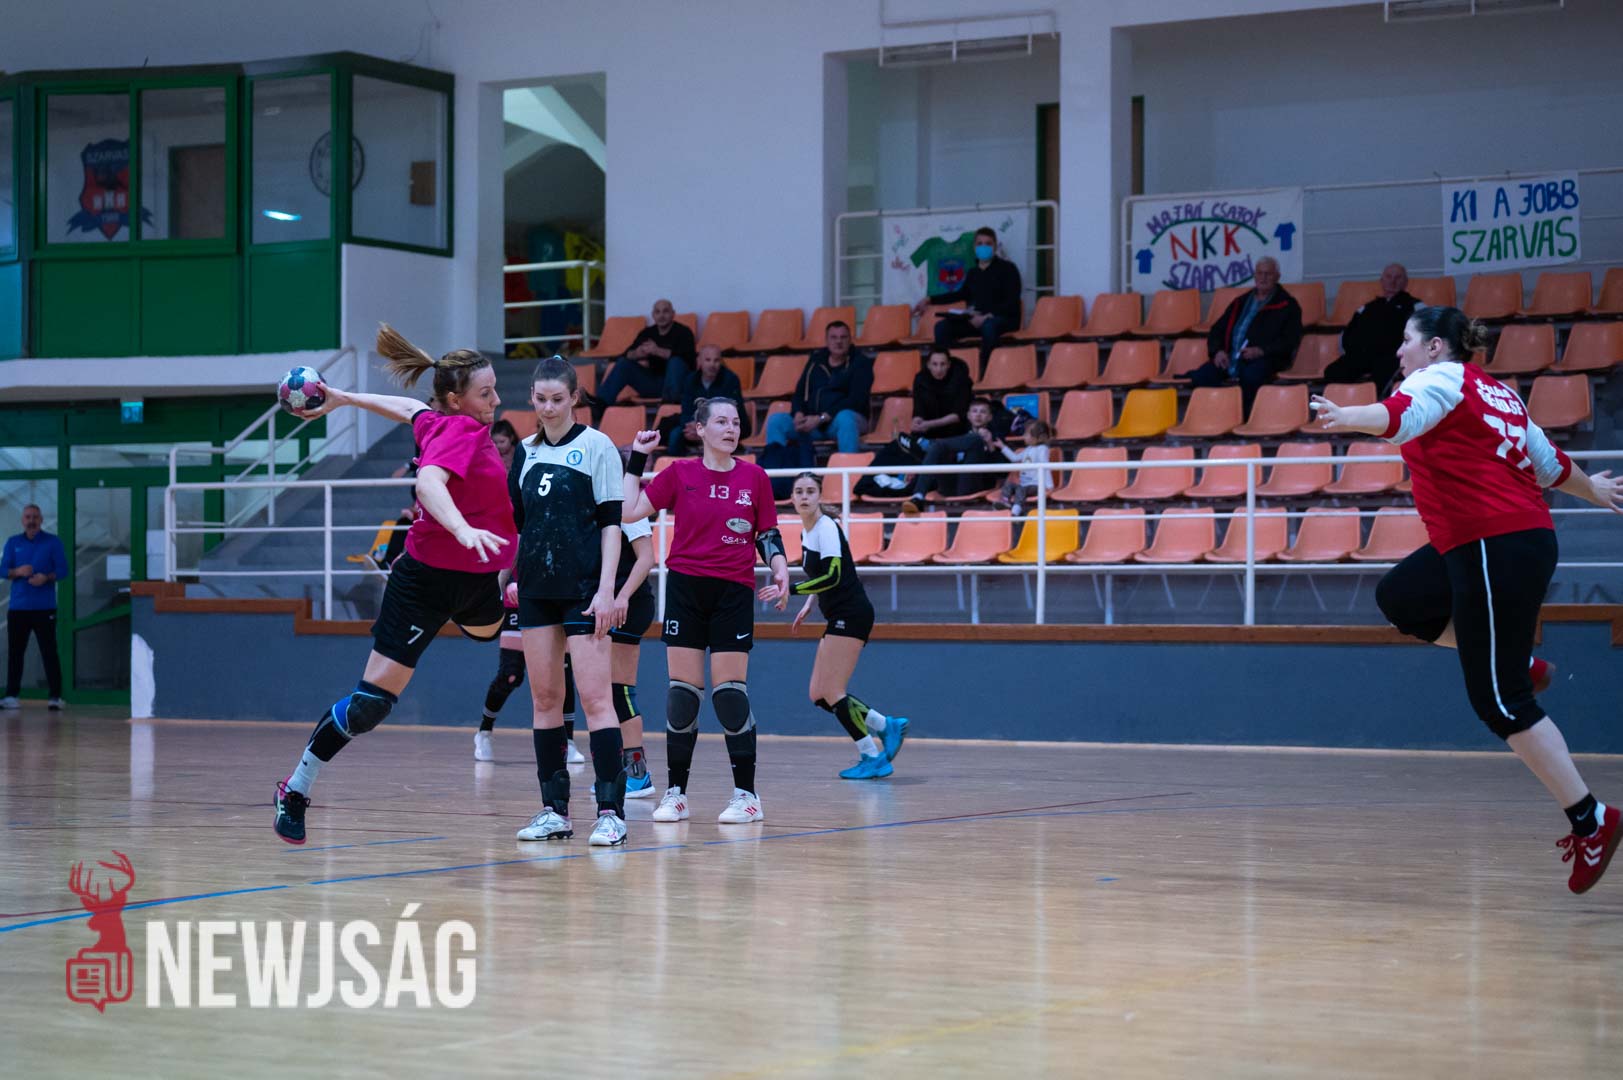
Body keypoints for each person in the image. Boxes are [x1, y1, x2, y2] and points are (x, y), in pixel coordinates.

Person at [1312, 305, 1623, 894]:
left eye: (1407, 340)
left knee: (1500, 703)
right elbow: (1549, 463)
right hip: (1508, 540)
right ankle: (1517, 662)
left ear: (1435, 347)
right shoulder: (1496, 393)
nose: (1399, 352)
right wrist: (1595, 489)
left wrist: (1345, 415)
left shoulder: (1438, 380)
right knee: (1402, 597)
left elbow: (1398, 417)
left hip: (1490, 541)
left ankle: (1592, 820)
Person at [273, 326, 515, 845]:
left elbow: (409, 409)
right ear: (458, 401)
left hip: (475, 582)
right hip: (424, 583)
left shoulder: (439, 420)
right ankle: (295, 789)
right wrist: (461, 529)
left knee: (492, 630)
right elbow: (428, 482)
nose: (496, 400)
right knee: (370, 706)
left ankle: (503, 601)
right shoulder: (462, 432)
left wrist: (344, 397)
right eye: (486, 393)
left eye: (494, 389)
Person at [621, 400, 790, 824]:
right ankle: (676, 794)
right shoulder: (678, 473)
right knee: (682, 696)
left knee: (730, 695)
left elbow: (767, 532)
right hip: (685, 588)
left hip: (733, 591)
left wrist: (780, 567)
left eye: (736, 423)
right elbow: (628, 511)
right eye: (721, 422)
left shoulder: (754, 477)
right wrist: (639, 458)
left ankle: (747, 796)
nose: (731, 429)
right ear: (700, 429)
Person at [509, 356, 630, 847]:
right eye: (540, 399)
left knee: (597, 700)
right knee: (545, 702)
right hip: (536, 591)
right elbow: (521, 526)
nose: (548, 408)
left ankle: (611, 813)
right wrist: (508, 577)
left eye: (557, 399)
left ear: (574, 398)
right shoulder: (524, 452)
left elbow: (612, 525)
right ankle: (553, 811)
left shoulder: (598, 447)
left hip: (583, 590)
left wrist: (606, 589)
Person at [786, 473, 909, 779]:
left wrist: (791, 590)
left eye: (810, 491)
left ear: (819, 496)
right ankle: (885, 725)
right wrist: (809, 602)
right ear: (792, 498)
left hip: (851, 613)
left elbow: (834, 575)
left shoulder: (826, 527)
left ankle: (871, 755)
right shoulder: (807, 532)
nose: (804, 496)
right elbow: (820, 575)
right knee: (818, 693)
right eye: (799, 491)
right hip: (837, 614)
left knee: (832, 690)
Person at [1188, 256, 1303, 412]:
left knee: (1251, 376)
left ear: (1277, 277)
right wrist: (1218, 351)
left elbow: (1290, 340)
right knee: (1202, 376)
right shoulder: (1240, 302)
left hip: (1266, 359)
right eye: (1260, 273)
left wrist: (1261, 351)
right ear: (1254, 276)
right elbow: (1217, 330)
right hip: (1230, 358)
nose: (1263, 278)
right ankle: (1216, 415)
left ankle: (1245, 418)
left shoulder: (1288, 305)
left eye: (1268, 274)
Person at [764, 321, 872, 465]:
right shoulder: (816, 361)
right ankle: (777, 472)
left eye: (843, 337)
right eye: (834, 337)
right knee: (776, 421)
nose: (838, 341)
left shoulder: (861, 363)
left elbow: (855, 400)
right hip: (813, 423)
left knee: (845, 418)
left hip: (842, 422)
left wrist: (822, 418)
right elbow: (800, 392)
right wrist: (798, 413)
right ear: (826, 340)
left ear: (850, 340)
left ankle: (849, 473)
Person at [912, 225, 1023, 364]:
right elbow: (960, 294)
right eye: (979, 244)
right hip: (977, 320)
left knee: (989, 326)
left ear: (995, 247)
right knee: (942, 327)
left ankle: (986, 370)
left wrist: (987, 316)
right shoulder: (973, 273)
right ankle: (952, 367)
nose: (983, 247)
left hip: (1002, 319)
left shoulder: (1008, 269)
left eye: (988, 244)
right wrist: (929, 299)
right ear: (974, 248)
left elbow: (1012, 301)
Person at [1, 504, 68, 711]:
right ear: (23, 520)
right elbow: (3, 570)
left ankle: (55, 697)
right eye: (28, 517)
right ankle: (11, 696)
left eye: (35, 517)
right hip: (18, 608)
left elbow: (63, 570)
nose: (31, 521)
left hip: (44, 608)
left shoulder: (53, 542)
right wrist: (18, 571)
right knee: (15, 653)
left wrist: (45, 578)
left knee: (49, 652)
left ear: (41, 520)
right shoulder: (13, 542)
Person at [1324, 263, 1422, 394]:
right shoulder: (1367, 308)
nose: (1392, 281)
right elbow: (1348, 334)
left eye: (1398, 277)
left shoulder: (1417, 306)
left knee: (1383, 372)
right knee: (1333, 371)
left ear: (1405, 282)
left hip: (1392, 357)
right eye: (1388, 277)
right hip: (1363, 356)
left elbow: (1421, 336)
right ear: (1382, 281)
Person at [592, 298, 696, 418]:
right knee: (623, 364)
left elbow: (690, 360)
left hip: (678, 386)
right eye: (657, 312)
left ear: (673, 314)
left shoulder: (684, 332)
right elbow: (626, 354)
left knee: (675, 362)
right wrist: (637, 353)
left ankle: (669, 406)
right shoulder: (648, 333)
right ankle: (600, 405)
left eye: (665, 311)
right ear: (653, 315)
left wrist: (657, 351)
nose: (661, 315)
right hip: (653, 383)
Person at [899, 398, 1006, 513]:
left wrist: (990, 445)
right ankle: (918, 497)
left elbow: (1003, 473)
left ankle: (930, 445)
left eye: (983, 412)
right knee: (942, 449)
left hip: (974, 485)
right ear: (968, 416)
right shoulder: (959, 435)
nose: (978, 415)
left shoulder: (996, 438)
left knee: (973, 440)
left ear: (990, 417)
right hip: (949, 485)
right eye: (974, 411)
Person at [666, 344, 751, 455]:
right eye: (708, 360)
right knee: (675, 435)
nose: (712, 365)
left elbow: (732, 414)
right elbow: (686, 412)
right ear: (700, 361)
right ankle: (676, 465)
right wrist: (695, 427)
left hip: (723, 426)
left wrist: (705, 430)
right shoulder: (690, 380)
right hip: (698, 428)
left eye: (716, 360)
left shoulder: (731, 380)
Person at [990, 419, 1054, 517]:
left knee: (1021, 489)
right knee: (1008, 485)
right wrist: (1003, 447)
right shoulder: (1028, 449)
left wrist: (1049, 485)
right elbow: (1015, 458)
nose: (1023, 436)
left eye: (1026, 434)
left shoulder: (1042, 449)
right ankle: (1004, 502)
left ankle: (1015, 512)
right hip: (1024, 484)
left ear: (1039, 437)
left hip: (1037, 485)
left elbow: (1045, 467)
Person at [910, 348, 973, 441]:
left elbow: (958, 415)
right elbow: (918, 408)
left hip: (955, 430)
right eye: (934, 364)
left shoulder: (961, 379)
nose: (939, 369)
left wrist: (929, 424)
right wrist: (917, 420)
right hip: (929, 429)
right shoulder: (920, 380)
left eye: (943, 364)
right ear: (928, 365)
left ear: (949, 365)